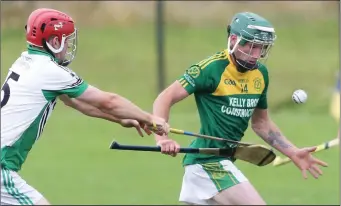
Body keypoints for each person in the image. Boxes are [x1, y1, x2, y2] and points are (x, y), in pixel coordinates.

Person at [153, 12, 328, 205]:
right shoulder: (211, 69)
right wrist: (162, 139)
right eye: (252, 47)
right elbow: (164, 98)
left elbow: (261, 123)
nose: (256, 55)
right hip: (207, 163)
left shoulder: (260, 74)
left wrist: (293, 152)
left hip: (223, 161)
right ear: (234, 40)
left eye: (262, 48)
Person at [1, 8, 169, 205]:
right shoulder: (49, 71)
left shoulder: (25, 62)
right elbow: (108, 101)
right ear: (54, 42)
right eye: (66, 40)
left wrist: (121, 118)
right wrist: (150, 118)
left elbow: (76, 102)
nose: (68, 47)